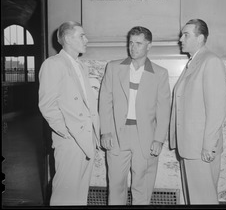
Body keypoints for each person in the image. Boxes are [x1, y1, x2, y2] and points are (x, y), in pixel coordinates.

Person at [99, 26, 171, 205]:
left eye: (139, 43)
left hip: (145, 137)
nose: (133, 47)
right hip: (117, 134)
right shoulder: (114, 67)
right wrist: (105, 131)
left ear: (149, 46)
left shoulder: (160, 73)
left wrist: (159, 139)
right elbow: (105, 102)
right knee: (116, 186)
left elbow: (164, 110)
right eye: (131, 43)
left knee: (142, 187)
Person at [38, 21, 100, 205]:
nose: (87, 40)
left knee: (80, 194)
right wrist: (65, 132)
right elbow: (47, 105)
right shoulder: (53, 64)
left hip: (87, 138)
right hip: (70, 138)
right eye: (82, 35)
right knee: (64, 195)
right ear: (67, 39)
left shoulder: (80, 65)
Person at [169, 19, 226, 204]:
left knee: (203, 200)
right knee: (194, 200)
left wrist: (208, 146)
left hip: (201, 148)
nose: (180, 39)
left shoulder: (210, 61)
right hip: (191, 145)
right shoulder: (195, 61)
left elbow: (217, 108)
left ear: (200, 38)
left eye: (186, 34)